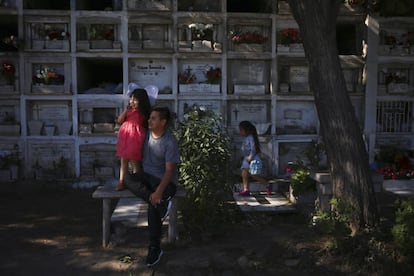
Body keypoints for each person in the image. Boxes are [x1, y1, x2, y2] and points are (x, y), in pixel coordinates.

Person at [124, 106, 180, 267]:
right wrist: (153, 196)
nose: (149, 120)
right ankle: (158, 201)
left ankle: (154, 247)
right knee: (128, 179)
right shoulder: (145, 135)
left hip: (166, 182)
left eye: (153, 118)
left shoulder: (170, 141)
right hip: (147, 178)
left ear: (163, 122)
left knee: (152, 208)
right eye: (150, 117)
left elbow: (170, 171)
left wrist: (159, 191)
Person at [115, 89, 151, 191]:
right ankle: (122, 182)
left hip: (135, 138)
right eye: (131, 99)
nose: (132, 101)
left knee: (135, 162)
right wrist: (126, 110)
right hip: (125, 137)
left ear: (142, 101)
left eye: (135, 99)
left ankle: (137, 184)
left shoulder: (144, 113)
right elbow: (120, 120)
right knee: (123, 160)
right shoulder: (129, 111)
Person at [238, 120, 272, 196]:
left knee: (254, 175)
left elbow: (253, 148)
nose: (240, 132)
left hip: (252, 158)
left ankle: (267, 185)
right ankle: (246, 189)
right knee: (244, 173)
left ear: (246, 130)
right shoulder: (246, 138)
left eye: (241, 130)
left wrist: (250, 157)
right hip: (247, 158)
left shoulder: (251, 137)